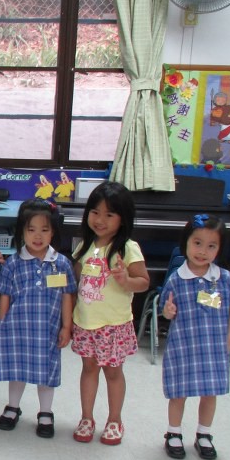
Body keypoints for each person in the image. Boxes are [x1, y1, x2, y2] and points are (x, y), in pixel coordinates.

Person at [0, 199, 75, 437]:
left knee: (46, 373)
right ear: (22, 231)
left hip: (48, 331)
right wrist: (2, 324)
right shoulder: (14, 263)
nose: (37, 236)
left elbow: (67, 296)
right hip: (17, 330)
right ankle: (12, 407)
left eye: (44, 230)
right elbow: (5, 295)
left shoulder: (61, 264)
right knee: (17, 370)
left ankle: (45, 412)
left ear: (53, 232)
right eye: (31, 229)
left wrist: (66, 326)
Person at [160, 214, 230, 460]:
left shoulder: (224, 279)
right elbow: (165, 310)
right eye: (197, 243)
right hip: (182, 348)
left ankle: (204, 434)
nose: (202, 251)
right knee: (178, 393)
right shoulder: (176, 279)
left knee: (210, 393)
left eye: (211, 246)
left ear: (219, 249)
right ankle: (174, 432)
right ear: (186, 243)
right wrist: (167, 311)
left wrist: (229, 341)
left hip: (213, 349)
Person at [69, 181, 149, 445]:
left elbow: (143, 282)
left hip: (114, 325)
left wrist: (126, 280)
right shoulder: (84, 246)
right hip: (86, 322)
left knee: (113, 373)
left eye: (109, 214)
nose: (100, 220)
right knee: (88, 369)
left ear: (122, 218)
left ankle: (115, 420)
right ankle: (87, 418)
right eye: (95, 212)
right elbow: (76, 282)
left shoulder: (128, 248)